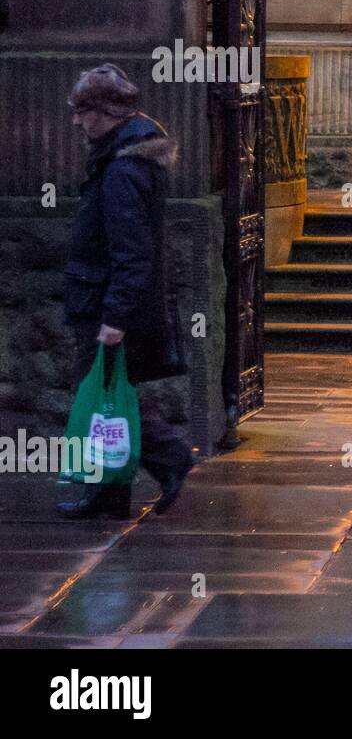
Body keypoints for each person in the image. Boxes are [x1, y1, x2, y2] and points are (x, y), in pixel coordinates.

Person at [58, 64, 192, 519]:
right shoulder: (121, 155)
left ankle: (167, 457)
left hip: (105, 305)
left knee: (97, 394)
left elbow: (132, 252)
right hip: (103, 299)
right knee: (111, 393)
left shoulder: (123, 168)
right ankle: (110, 492)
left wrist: (114, 319)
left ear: (107, 112)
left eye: (83, 111)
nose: (77, 121)